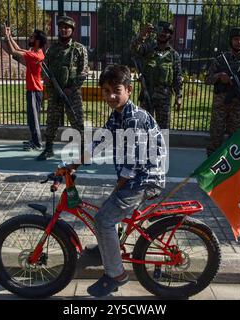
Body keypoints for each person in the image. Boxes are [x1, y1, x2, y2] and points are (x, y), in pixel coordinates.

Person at [67, 64, 167, 297]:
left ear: (129, 90)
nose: (110, 96)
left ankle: (116, 274)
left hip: (145, 179)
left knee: (103, 219)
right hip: (135, 177)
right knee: (107, 211)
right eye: (106, 90)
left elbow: (132, 165)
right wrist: (72, 163)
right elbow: (99, 142)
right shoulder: (119, 115)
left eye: (116, 90)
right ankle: (106, 251)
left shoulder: (135, 119)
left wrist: (119, 187)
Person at [37, 16, 88, 161]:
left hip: (72, 93)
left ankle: (83, 152)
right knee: (52, 120)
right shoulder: (52, 49)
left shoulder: (79, 49)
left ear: (72, 30)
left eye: (67, 28)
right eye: (61, 28)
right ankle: (48, 149)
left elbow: (83, 72)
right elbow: (44, 68)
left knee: (77, 121)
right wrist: (46, 79)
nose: (64, 30)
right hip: (55, 91)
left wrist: (71, 89)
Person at [205, 27, 240, 157]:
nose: (239, 42)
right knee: (215, 138)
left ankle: (231, 169)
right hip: (221, 106)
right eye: (236, 39)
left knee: (237, 140)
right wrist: (219, 76)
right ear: (231, 41)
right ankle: (210, 168)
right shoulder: (220, 60)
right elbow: (207, 79)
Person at [130, 21, 183, 129]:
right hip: (147, 95)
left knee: (163, 129)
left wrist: (179, 96)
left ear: (170, 35)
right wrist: (142, 36)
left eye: (166, 32)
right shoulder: (148, 49)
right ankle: (145, 146)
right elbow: (134, 49)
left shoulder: (174, 55)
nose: (163, 34)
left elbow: (177, 76)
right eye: (161, 31)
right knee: (144, 126)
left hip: (164, 98)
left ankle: (160, 146)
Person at [2, 26, 47, 151]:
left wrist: (6, 37)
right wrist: (9, 36)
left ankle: (37, 143)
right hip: (33, 90)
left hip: (34, 90)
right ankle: (34, 140)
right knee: (31, 117)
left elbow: (13, 52)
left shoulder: (35, 55)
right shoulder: (34, 52)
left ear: (37, 41)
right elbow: (17, 48)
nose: (29, 38)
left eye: (32, 37)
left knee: (33, 118)